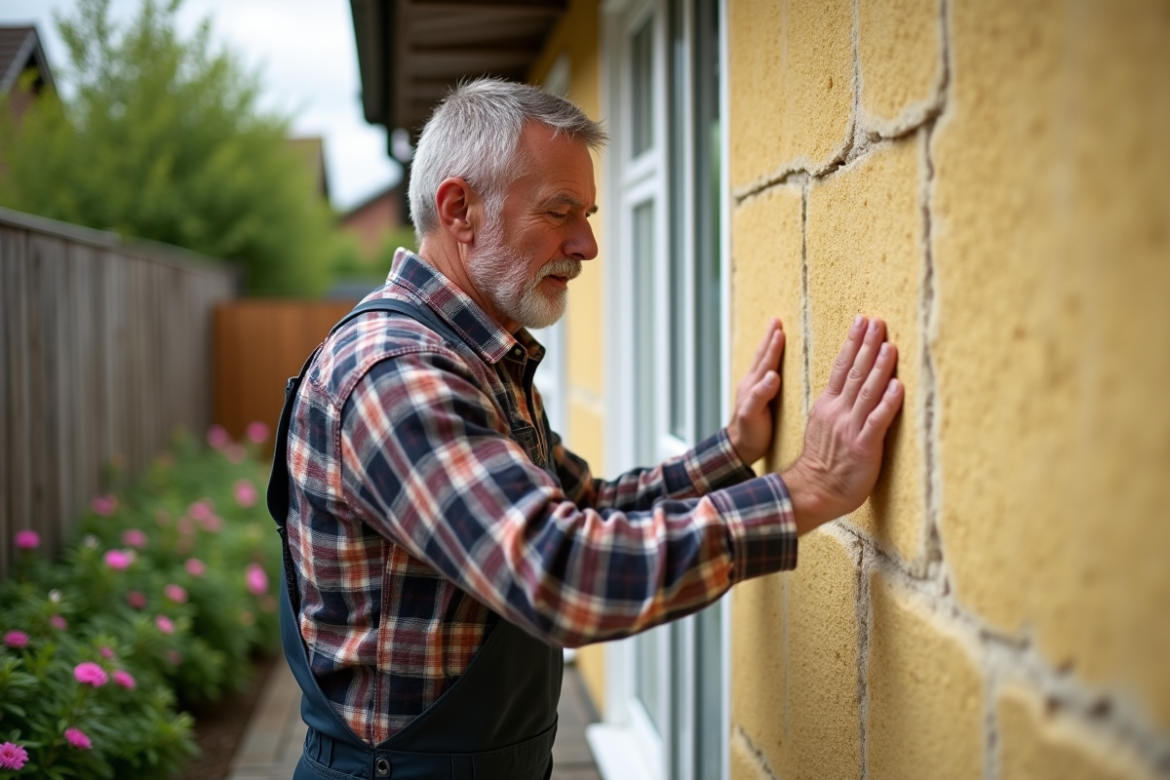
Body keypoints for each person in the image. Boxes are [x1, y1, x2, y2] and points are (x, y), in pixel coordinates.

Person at [268, 77, 903, 780]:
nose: (588, 244)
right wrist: (805, 492)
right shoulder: (398, 377)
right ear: (460, 210)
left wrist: (735, 451)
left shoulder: (476, 357)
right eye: (560, 211)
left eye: (588, 213)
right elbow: (557, 570)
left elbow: (589, 505)